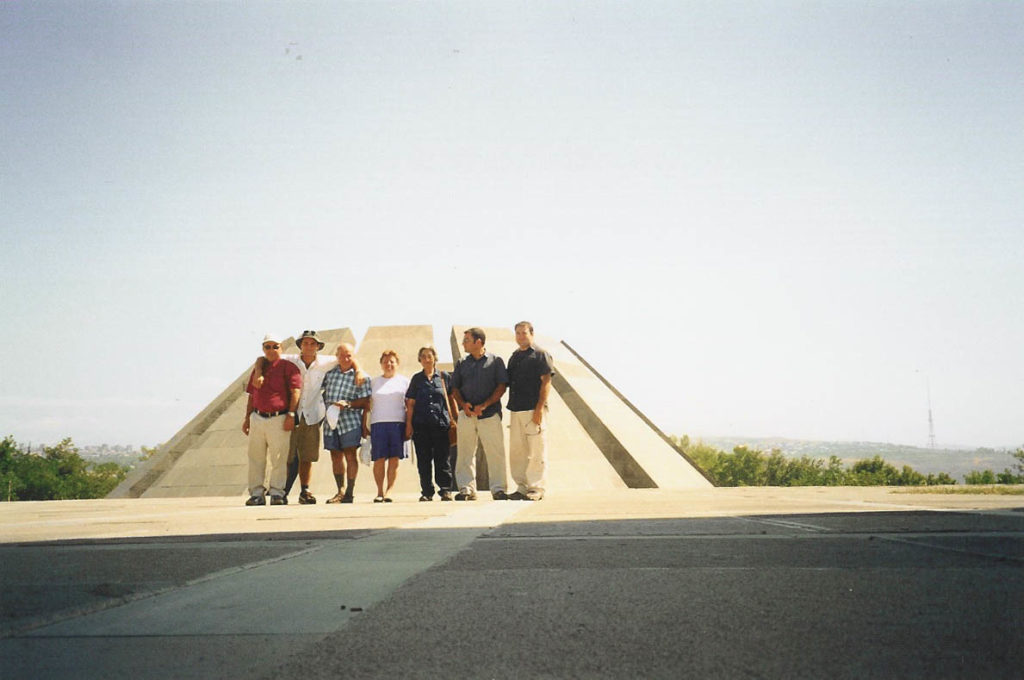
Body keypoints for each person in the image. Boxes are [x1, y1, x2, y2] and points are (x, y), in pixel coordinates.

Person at [253, 330, 336, 504]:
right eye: (305, 343)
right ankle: (281, 490)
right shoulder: (289, 360)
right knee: (287, 455)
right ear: (300, 345)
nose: (309, 346)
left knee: (307, 456)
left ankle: (305, 490)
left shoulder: (326, 362)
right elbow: (262, 358)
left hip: (312, 414)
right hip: (290, 414)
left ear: (318, 346)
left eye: (313, 343)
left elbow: (348, 357)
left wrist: (358, 371)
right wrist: (259, 370)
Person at [450, 327, 509, 501]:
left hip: (489, 414)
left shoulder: (496, 361)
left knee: (495, 453)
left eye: (467, 340)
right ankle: (466, 489)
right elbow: (455, 388)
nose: (463, 344)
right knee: (465, 453)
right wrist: (464, 405)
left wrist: (485, 405)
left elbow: (501, 386)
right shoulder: (462, 363)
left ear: (478, 342)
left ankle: (498, 489)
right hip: (467, 415)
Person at [242, 333, 301, 506]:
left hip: (279, 418)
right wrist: (247, 418)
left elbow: (295, 392)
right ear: (263, 349)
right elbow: (252, 395)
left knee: (279, 458)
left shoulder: (288, 367)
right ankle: (256, 494)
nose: (271, 350)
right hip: (257, 418)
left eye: (275, 346)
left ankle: (277, 493)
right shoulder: (258, 368)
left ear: (281, 348)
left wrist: (291, 414)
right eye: (267, 347)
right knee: (255, 458)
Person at [506, 321, 554, 501]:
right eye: (517, 333)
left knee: (536, 450)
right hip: (516, 409)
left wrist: (539, 408)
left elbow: (546, 382)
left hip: (533, 408)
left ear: (531, 334)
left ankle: (536, 487)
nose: (520, 336)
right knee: (518, 451)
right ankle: (521, 487)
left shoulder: (541, 355)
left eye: (523, 333)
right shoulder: (514, 357)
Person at [405, 346, 458, 501]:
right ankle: (427, 491)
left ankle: (445, 489)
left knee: (443, 459)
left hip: (441, 425)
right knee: (424, 461)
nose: (427, 359)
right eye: (423, 357)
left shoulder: (443, 377)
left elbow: (451, 399)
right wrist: (409, 424)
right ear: (419, 360)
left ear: (435, 358)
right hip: (421, 426)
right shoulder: (416, 379)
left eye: (429, 356)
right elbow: (411, 403)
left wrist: (455, 419)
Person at [321, 343, 371, 503]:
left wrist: (349, 404)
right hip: (331, 421)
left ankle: (350, 492)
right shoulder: (329, 374)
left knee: (350, 455)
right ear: (337, 356)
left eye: (349, 355)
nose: (346, 358)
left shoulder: (361, 376)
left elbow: (366, 401)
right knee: (335, 456)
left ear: (354, 357)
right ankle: (340, 491)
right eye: (342, 355)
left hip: (350, 420)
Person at [365, 350, 410, 503]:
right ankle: (379, 491)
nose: (388, 364)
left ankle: (389, 490)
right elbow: (367, 405)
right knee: (379, 459)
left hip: (398, 423)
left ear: (397, 364)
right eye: (385, 361)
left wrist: (409, 425)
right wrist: (364, 425)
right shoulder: (373, 382)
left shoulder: (404, 382)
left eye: (392, 362)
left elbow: (409, 405)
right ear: (381, 364)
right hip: (378, 423)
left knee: (394, 459)